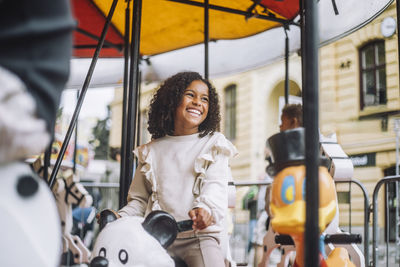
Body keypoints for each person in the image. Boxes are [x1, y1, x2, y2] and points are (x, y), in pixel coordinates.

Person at [117, 72, 237, 267]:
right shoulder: (151, 151)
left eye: (204, 98)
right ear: (172, 100)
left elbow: (215, 185)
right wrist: (120, 217)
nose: (198, 102)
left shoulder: (213, 143)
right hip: (157, 237)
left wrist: (205, 209)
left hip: (198, 237)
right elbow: (139, 200)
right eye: (190, 95)